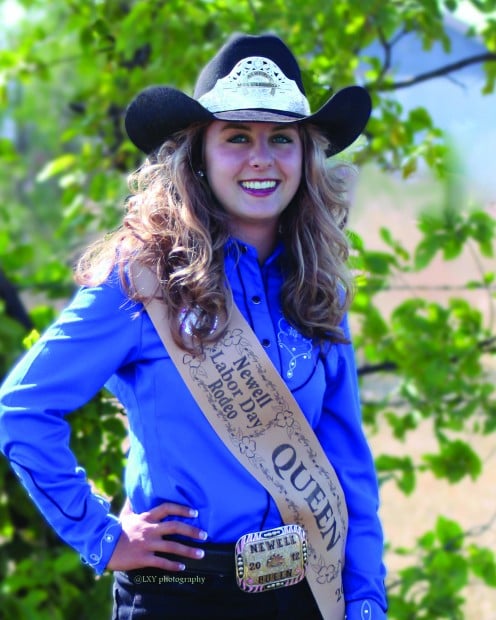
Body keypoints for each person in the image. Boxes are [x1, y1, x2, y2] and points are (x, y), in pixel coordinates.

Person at [0, 33, 387, 619]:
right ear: (198, 155)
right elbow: (23, 407)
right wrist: (101, 536)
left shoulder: (317, 288)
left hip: (304, 593)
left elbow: (347, 463)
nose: (261, 158)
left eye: (281, 138)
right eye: (237, 137)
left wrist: (364, 600)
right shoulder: (143, 280)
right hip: (177, 597)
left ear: (305, 157)